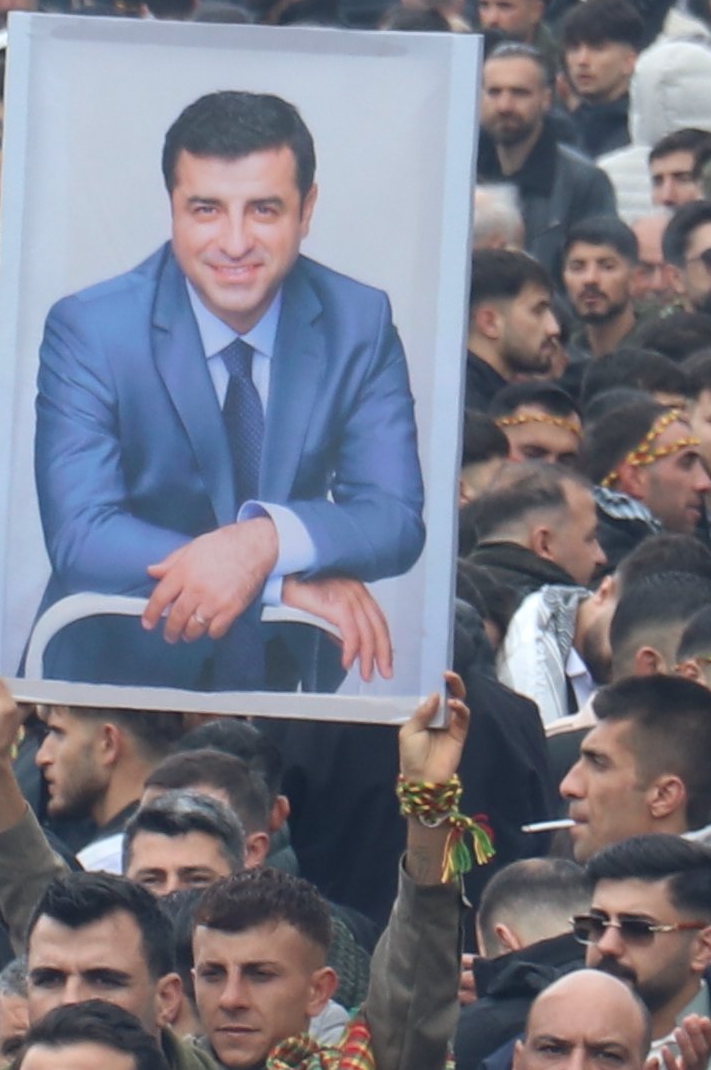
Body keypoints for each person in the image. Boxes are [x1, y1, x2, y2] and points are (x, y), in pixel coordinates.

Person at [27, 91, 427, 696]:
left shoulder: (359, 321)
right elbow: (82, 534)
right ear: (173, 210)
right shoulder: (91, 327)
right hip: (114, 690)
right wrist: (271, 577)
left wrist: (265, 541)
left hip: (286, 691)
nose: (234, 243)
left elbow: (393, 518)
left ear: (307, 209)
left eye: (263, 210)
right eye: (207, 209)